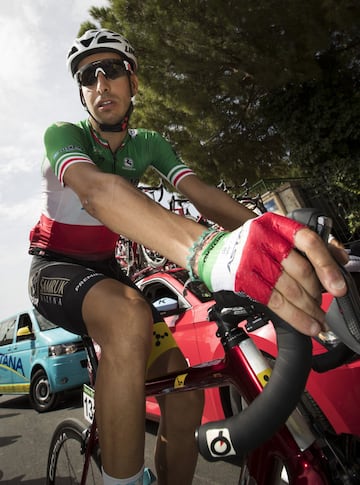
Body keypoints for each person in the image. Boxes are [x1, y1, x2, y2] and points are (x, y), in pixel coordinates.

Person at [28, 29, 347, 485]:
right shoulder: (63, 135)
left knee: (183, 395)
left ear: (133, 81)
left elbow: (206, 198)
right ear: (81, 93)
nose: (101, 83)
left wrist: (277, 234)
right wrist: (210, 252)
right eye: (87, 76)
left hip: (106, 270)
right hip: (55, 267)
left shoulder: (149, 144)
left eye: (112, 70)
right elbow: (98, 193)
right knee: (127, 317)